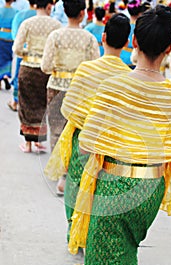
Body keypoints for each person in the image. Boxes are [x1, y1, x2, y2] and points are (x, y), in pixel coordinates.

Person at [68, 5, 171, 265]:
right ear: (169, 48)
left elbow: (86, 144)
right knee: (126, 254)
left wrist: (119, 139)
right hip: (150, 190)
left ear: (134, 43)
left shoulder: (113, 88)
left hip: (113, 186)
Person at [44, 13, 131, 249]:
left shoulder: (86, 69)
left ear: (103, 37)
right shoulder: (128, 76)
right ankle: (92, 236)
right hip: (111, 144)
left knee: (75, 185)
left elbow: (68, 108)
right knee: (101, 191)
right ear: (126, 43)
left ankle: (75, 232)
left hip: (82, 138)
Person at [41, 0, 100, 194]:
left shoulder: (55, 36)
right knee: (75, 132)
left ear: (64, 12)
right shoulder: (90, 39)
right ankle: (68, 174)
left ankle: (59, 170)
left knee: (57, 130)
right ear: (83, 13)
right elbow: (94, 67)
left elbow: (45, 66)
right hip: (81, 91)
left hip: (56, 86)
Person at [13, 0, 61, 153]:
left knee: (26, 104)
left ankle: (27, 143)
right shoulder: (56, 25)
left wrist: (28, 53)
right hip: (46, 72)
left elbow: (17, 48)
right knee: (42, 105)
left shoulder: (27, 23)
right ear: (49, 6)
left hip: (28, 69)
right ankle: (39, 140)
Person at [8, 0, 37, 112]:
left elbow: (15, 33)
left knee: (19, 76)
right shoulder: (45, 19)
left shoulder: (21, 15)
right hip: (38, 54)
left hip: (23, 52)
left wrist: (20, 46)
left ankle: (15, 101)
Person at [0, 0, 17, 90]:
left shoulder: (0, 10)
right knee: (8, 58)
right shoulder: (16, 12)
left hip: (0, 36)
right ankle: (6, 75)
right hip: (10, 37)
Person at [120, 0, 142, 68]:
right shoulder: (141, 27)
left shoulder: (123, 24)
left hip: (120, 57)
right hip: (134, 60)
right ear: (139, 12)